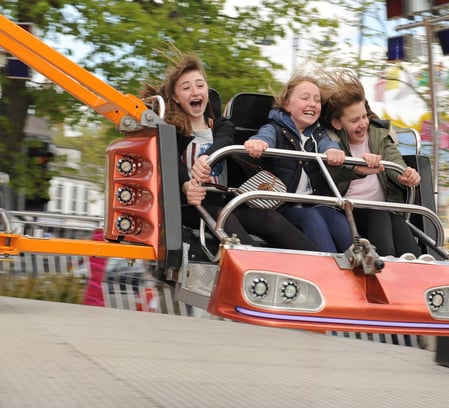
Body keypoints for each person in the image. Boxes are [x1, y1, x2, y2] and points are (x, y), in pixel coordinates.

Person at [142, 52, 319, 252]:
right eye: (186, 88)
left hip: (223, 201)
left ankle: (319, 265)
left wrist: (206, 158)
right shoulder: (173, 133)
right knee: (226, 221)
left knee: (270, 219)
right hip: (191, 206)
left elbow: (224, 140)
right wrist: (186, 186)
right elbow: (171, 162)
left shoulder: (221, 126)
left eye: (200, 85)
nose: (195, 91)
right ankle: (258, 269)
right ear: (175, 97)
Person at [243, 74, 353, 253]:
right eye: (305, 98)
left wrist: (332, 152)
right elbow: (264, 137)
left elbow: (328, 145)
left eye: (317, 100)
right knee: (310, 218)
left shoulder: (319, 135)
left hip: (314, 203)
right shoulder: (275, 129)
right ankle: (329, 265)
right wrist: (258, 144)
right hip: (284, 206)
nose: (312, 103)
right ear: (287, 105)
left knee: (337, 218)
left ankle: (359, 262)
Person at [321, 69, 422, 258]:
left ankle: (416, 264)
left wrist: (404, 175)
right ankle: (386, 260)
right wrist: (358, 170)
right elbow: (332, 176)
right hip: (348, 210)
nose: (363, 124)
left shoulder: (379, 135)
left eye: (364, 116)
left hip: (382, 210)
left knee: (397, 221)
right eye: (354, 120)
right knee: (379, 215)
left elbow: (393, 160)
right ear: (337, 123)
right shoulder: (331, 142)